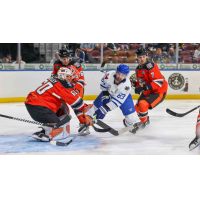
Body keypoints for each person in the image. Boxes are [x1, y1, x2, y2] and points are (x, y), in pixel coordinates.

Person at [25, 68, 92, 142]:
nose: (71, 80)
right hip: (40, 108)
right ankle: (48, 133)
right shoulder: (63, 85)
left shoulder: (54, 80)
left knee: (62, 110)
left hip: (33, 104)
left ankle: (47, 127)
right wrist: (90, 111)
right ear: (64, 76)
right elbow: (78, 104)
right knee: (57, 128)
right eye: (69, 77)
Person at [85, 64, 138, 133]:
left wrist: (105, 109)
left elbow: (116, 102)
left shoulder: (126, 86)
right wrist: (105, 96)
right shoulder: (108, 75)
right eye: (118, 74)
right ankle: (84, 125)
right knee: (93, 110)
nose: (119, 77)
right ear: (116, 72)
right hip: (109, 92)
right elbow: (103, 86)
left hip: (123, 97)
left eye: (122, 75)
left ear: (126, 75)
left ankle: (128, 125)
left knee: (131, 118)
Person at [52, 48, 89, 135]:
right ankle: (57, 124)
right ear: (60, 58)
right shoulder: (57, 64)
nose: (66, 60)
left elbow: (81, 78)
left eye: (67, 58)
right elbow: (54, 76)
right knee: (58, 104)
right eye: (63, 59)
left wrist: (75, 90)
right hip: (63, 88)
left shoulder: (75, 63)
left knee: (75, 105)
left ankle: (83, 123)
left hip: (76, 85)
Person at [130, 48, 168, 130]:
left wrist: (144, 87)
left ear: (146, 56)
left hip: (159, 91)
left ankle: (144, 122)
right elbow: (142, 83)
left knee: (143, 104)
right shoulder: (138, 69)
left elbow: (158, 82)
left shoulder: (150, 65)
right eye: (140, 57)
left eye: (143, 57)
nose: (142, 59)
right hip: (148, 90)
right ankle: (144, 120)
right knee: (134, 110)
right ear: (137, 57)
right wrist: (134, 84)